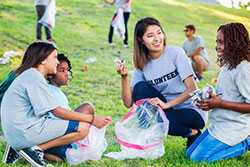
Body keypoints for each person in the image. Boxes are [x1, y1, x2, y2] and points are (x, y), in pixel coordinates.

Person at [0, 42, 111, 166]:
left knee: (65, 148)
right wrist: (92, 119)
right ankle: (35, 150)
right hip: (24, 132)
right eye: (54, 57)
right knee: (83, 128)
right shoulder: (34, 77)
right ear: (42, 60)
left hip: (17, 133)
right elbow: (57, 112)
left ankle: (27, 149)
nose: (57, 62)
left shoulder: (30, 75)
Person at [116, 17, 207, 148]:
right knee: (140, 89)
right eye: (150, 35)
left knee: (155, 117)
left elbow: (192, 89)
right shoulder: (142, 64)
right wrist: (124, 77)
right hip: (168, 111)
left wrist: (166, 105)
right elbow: (128, 102)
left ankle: (189, 129)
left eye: (159, 33)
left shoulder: (176, 53)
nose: (157, 38)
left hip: (191, 111)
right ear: (141, 40)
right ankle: (191, 133)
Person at [186, 22, 250, 162]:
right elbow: (229, 95)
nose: (217, 46)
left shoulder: (243, 69)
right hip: (219, 124)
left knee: (198, 159)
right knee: (189, 153)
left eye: (221, 42)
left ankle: (245, 143)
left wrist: (219, 103)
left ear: (235, 43)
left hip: (234, 127)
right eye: (217, 41)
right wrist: (211, 99)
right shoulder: (228, 64)